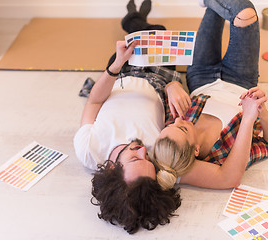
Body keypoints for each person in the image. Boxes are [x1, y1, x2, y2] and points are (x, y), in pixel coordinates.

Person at [73, 0, 191, 234]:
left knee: (138, 37)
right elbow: (179, 117)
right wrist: (173, 85)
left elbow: (95, 101)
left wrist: (117, 65)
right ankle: (135, 18)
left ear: (111, 170)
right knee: (159, 33)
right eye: (149, 161)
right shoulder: (159, 155)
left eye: (136, 159)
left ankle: (132, 17)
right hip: (159, 79)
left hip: (119, 74)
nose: (143, 150)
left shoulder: (89, 150)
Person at [153, 0, 268, 191]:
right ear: (196, 150)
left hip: (200, 77)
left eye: (172, 124)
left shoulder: (172, 135)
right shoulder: (224, 152)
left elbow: (166, 89)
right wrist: (261, 113)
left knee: (216, 10)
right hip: (241, 80)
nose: (179, 120)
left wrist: (172, 86)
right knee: (245, 14)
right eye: (183, 129)